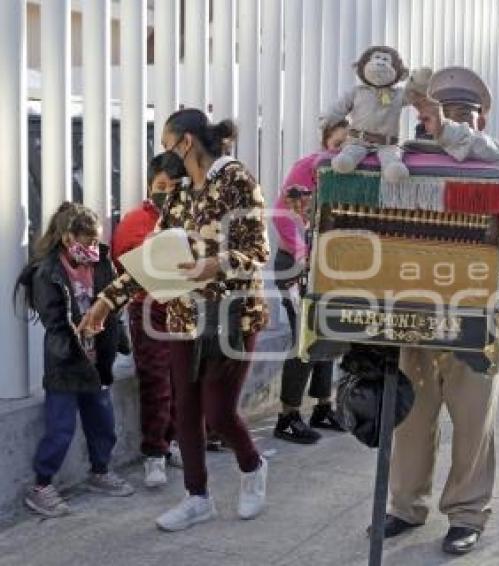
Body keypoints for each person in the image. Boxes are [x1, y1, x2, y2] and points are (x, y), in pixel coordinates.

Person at [78, 108, 270, 531]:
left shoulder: (237, 180)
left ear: (186, 142)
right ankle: (197, 497)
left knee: (218, 414)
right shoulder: (181, 194)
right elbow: (152, 261)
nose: (166, 153)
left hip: (232, 317)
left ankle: (253, 468)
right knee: (185, 410)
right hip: (184, 315)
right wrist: (107, 302)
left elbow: (258, 252)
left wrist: (216, 265)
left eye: (167, 144)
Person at [387, 66, 499, 555]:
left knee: (472, 419)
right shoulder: (403, 158)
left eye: (464, 113)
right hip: (412, 310)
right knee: (411, 418)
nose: (445, 121)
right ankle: (405, 505)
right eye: (439, 111)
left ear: (480, 118)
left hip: (473, 312)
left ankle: (466, 514)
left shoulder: (497, 157)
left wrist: (448, 128)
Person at [14, 203, 134, 517]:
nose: (93, 247)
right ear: (68, 238)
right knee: (60, 427)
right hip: (66, 364)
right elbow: (54, 320)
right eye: (88, 240)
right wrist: (76, 340)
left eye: (96, 240)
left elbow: (114, 305)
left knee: (103, 422)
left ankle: (100, 471)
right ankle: (41, 485)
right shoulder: (48, 271)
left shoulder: (102, 262)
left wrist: (117, 339)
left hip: (98, 362)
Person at [111, 153, 186, 487]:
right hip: (148, 309)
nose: (167, 192)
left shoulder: (189, 216)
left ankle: (172, 441)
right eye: (162, 186)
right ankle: (153, 453)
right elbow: (126, 268)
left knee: (182, 381)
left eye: (174, 187)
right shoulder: (135, 221)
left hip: (183, 307)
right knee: (157, 382)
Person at [271, 124, 348, 444]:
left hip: (329, 267)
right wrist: (304, 254)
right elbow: (280, 213)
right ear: (325, 141)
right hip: (296, 266)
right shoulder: (311, 167)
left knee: (327, 332)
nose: (341, 150)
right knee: (305, 335)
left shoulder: (351, 173)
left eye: (348, 144)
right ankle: (287, 415)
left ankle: (322, 406)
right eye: (336, 143)